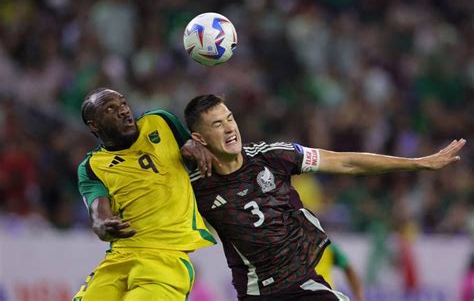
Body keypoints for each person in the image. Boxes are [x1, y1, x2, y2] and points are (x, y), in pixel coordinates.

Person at [183, 94, 466, 301]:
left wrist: (418, 163)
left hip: (302, 284)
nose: (230, 127)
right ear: (200, 137)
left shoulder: (273, 156)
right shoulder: (195, 185)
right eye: (218, 124)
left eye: (230, 118)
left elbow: (346, 162)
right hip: (257, 294)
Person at [72, 88, 217, 301]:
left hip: (166, 257)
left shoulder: (161, 122)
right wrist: (104, 227)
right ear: (94, 125)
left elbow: (190, 147)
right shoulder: (92, 167)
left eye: (123, 104)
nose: (122, 111)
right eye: (110, 109)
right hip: (119, 258)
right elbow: (98, 215)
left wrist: (195, 149)